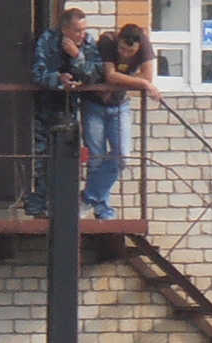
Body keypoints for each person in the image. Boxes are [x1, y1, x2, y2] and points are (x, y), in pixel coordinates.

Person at [82, 23, 163, 220]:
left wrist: (124, 80)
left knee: (122, 157)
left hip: (120, 106)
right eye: (123, 49)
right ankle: (102, 210)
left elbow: (148, 74)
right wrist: (141, 82)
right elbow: (110, 75)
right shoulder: (108, 41)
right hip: (94, 104)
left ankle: (87, 198)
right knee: (96, 158)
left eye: (131, 51)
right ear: (118, 40)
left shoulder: (145, 46)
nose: (126, 54)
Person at [27, 8, 99, 217]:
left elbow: (95, 74)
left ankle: (66, 205)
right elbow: (37, 74)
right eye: (77, 31)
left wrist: (77, 57)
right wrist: (58, 80)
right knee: (43, 158)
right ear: (65, 29)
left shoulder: (87, 43)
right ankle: (41, 205)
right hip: (47, 107)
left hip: (74, 109)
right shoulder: (48, 40)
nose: (82, 35)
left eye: (84, 30)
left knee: (70, 158)